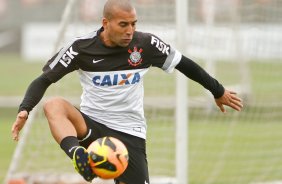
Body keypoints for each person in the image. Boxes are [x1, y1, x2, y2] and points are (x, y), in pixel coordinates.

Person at [11, 0, 243, 183]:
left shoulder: (146, 45)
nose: (130, 30)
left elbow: (185, 64)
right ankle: (76, 155)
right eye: (124, 24)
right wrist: (24, 110)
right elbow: (42, 80)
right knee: (54, 105)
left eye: (134, 24)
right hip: (92, 124)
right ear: (106, 22)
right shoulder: (81, 48)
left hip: (130, 133)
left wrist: (218, 90)